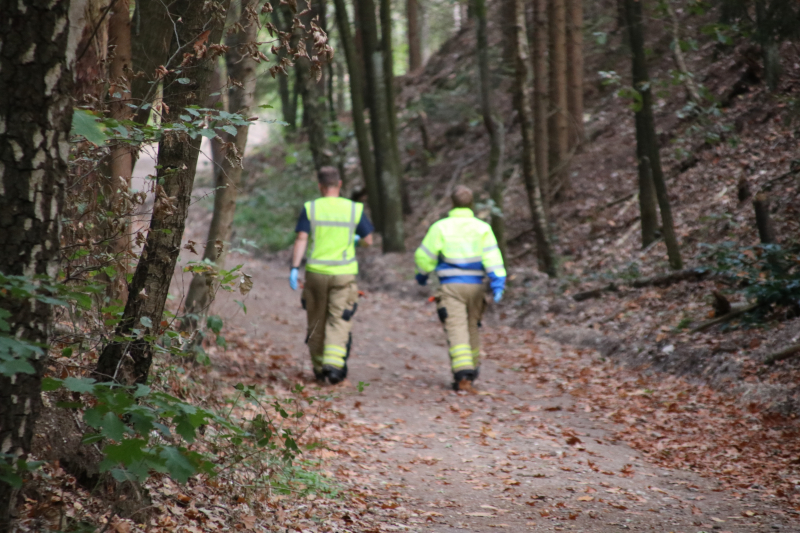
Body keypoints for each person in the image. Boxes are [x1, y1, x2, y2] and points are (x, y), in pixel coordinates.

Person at [414, 185, 506, 391]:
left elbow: (424, 256)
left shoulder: (441, 227)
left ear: (451, 203)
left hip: (451, 286)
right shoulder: (483, 228)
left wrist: (422, 274)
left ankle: (463, 372)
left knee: (456, 327)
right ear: (471, 204)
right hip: (476, 288)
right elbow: (492, 257)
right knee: (472, 326)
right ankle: (473, 368)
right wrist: (498, 283)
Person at [289, 166, 374, 384]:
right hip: (343, 274)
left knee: (316, 321)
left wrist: (294, 267)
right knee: (339, 319)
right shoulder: (354, 209)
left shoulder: (311, 208)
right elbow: (369, 239)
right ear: (340, 184)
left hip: (316, 273)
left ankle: (318, 368)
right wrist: (356, 241)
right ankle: (334, 366)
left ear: (320, 186)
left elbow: (301, 238)